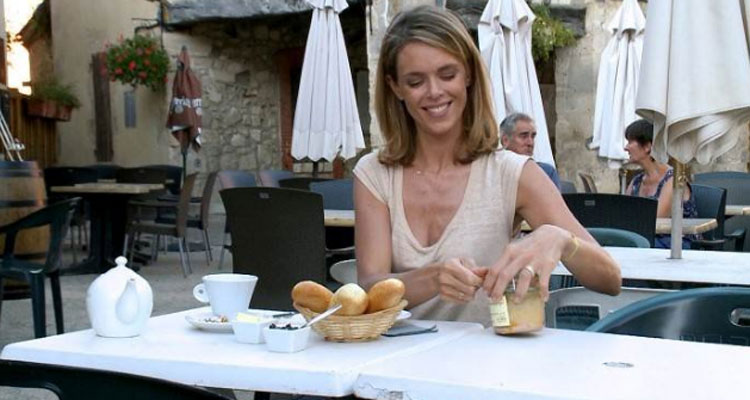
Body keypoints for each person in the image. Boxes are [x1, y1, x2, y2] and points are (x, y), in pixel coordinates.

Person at [353, 5, 620, 326]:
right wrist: (434, 278)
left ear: (468, 74)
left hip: (491, 367)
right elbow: (369, 290)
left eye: (447, 74)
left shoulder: (512, 172)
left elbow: (610, 278)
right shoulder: (374, 174)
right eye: (415, 81)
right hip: (393, 362)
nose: (435, 91)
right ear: (395, 87)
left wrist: (560, 239)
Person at [624, 119, 698, 249]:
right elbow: (622, 213)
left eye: (630, 142)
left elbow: (656, 219)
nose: (626, 147)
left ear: (647, 146)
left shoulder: (673, 179)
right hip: (647, 240)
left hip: (676, 245)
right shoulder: (636, 181)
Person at [500, 112, 561, 190]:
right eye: (523, 136)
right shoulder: (493, 172)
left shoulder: (546, 172)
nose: (530, 143)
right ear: (505, 140)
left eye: (533, 136)